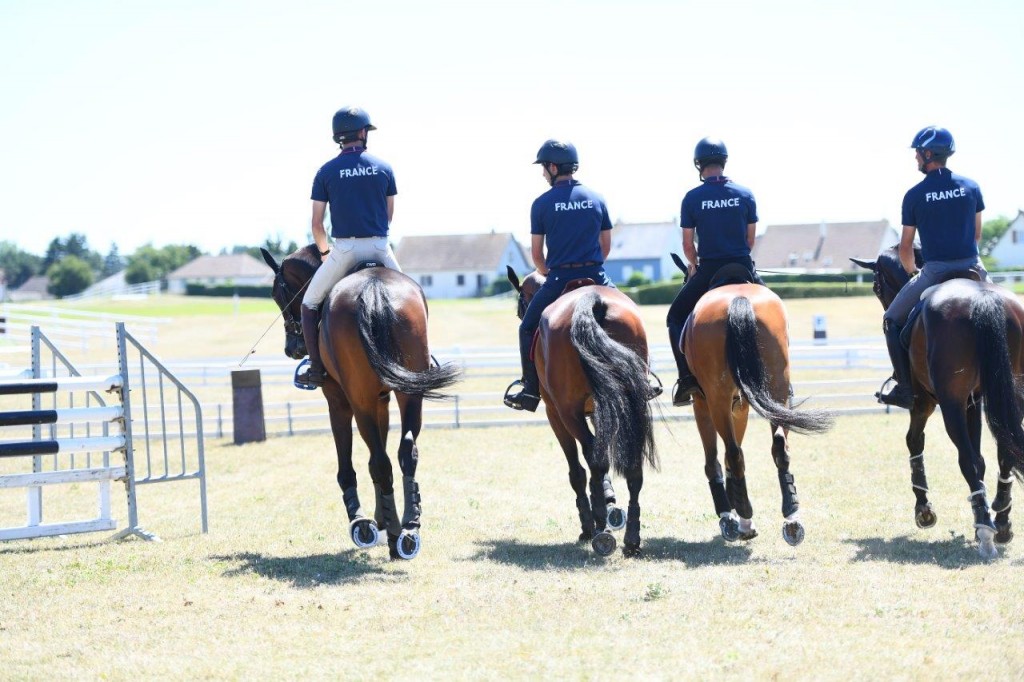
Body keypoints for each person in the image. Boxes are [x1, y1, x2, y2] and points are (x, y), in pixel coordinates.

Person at [878, 126, 989, 409]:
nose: (916, 157)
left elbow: (905, 248)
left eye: (917, 152)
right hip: (973, 267)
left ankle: (905, 388)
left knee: (891, 319)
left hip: (936, 271)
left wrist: (913, 272)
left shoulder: (915, 194)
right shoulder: (972, 187)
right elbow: (977, 236)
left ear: (928, 153)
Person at [503, 139, 615, 412]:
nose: (543, 173)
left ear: (553, 167)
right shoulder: (597, 198)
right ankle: (644, 378)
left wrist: (547, 273)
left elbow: (538, 256)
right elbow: (606, 247)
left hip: (559, 278)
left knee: (527, 328)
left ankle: (530, 391)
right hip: (596, 275)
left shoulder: (542, 203)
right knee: (632, 315)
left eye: (543, 167)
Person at [296, 106, 401, 387]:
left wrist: (325, 252)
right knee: (412, 295)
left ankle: (315, 367)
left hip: (344, 250)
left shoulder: (326, 171)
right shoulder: (384, 167)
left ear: (337, 137)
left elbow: (317, 225)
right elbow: (388, 215)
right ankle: (424, 358)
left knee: (309, 303)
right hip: (380, 247)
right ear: (363, 133)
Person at [666, 137, 762, 406]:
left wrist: (694, 265)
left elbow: (687, 244)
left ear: (699, 164)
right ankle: (782, 383)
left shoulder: (692, 198)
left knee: (674, 318)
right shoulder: (745, 194)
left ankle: (686, 378)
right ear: (724, 161)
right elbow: (750, 240)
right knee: (775, 314)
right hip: (743, 265)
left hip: (709, 270)